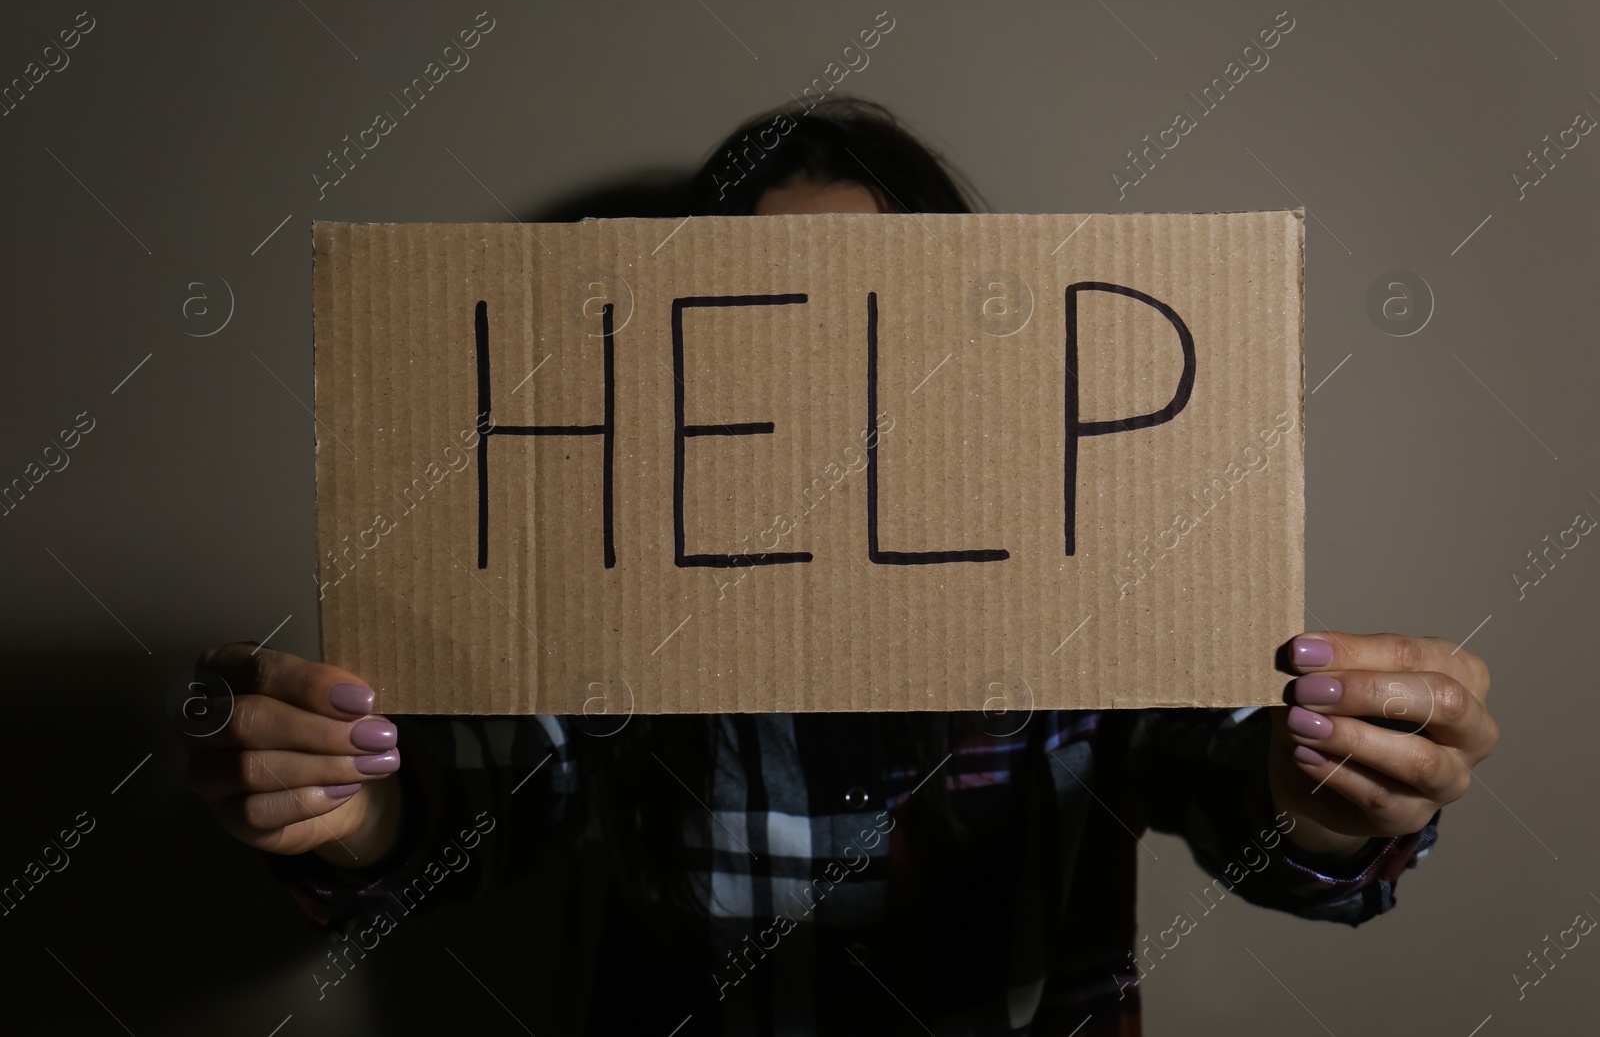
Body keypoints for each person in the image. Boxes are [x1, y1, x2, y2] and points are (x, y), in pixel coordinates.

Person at [182, 99, 1499, 1036]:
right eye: (773, 310)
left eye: (872, 302)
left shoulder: (1084, 572)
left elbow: (1237, 785)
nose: (825, 374)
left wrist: (1336, 786)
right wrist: (344, 809)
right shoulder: (614, 599)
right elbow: (467, 806)